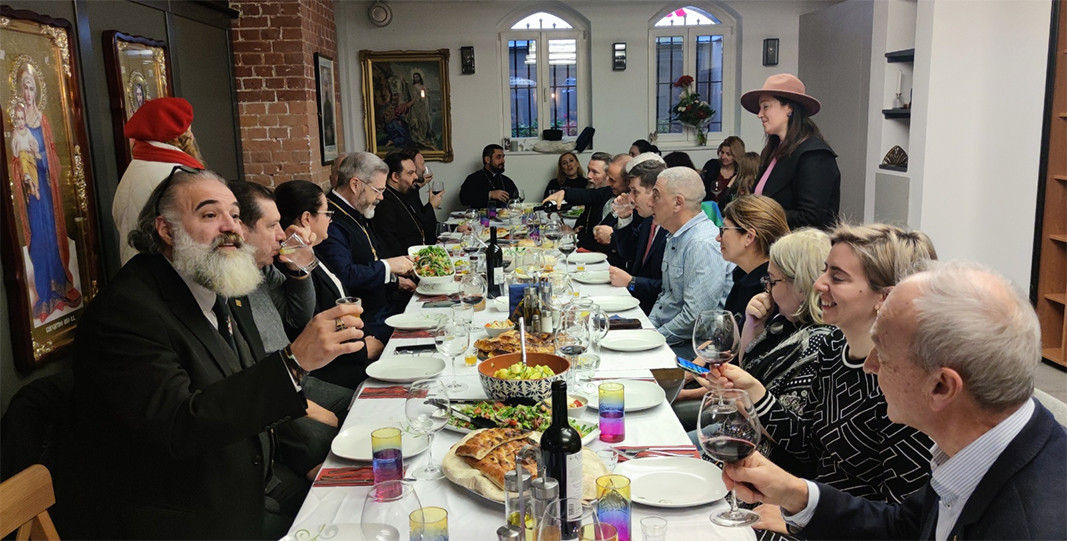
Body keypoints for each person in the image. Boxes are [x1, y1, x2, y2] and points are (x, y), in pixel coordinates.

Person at [57, 168, 365, 539]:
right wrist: (294, 363)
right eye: (209, 214)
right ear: (166, 230)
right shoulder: (128, 311)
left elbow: (244, 392)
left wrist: (319, 462)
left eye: (234, 215)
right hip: (190, 515)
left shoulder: (221, 286)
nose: (230, 227)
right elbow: (180, 427)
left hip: (257, 483)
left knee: (369, 500)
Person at [722, 262, 1067, 541]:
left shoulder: (1029, 524)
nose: (869, 367)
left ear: (942, 387)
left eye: (883, 355)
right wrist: (794, 493)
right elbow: (904, 527)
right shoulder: (977, 444)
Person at [709, 223, 937, 533]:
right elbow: (810, 448)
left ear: (885, 297)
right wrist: (757, 395)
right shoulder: (834, 348)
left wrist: (803, 515)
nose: (818, 284)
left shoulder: (903, 384)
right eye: (824, 271)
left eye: (837, 277)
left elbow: (902, 523)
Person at [228, 180, 355, 483]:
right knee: (327, 439)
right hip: (269, 389)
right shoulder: (225, 280)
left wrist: (299, 266)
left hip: (298, 376)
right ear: (243, 230)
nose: (282, 234)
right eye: (272, 225)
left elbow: (298, 315)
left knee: (359, 404)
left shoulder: (261, 268)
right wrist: (302, 404)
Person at [277, 180, 379, 390]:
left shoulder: (317, 251)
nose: (330, 221)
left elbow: (345, 299)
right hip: (332, 371)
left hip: (354, 346)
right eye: (327, 214)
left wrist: (368, 335)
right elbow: (309, 324)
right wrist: (362, 349)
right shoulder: (289, 265)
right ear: (307, 218)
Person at [8, 62, 81, 321]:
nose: (28, 93)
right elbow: (14, 160)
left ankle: (59, 285)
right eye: (24, 88)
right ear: (19, 91)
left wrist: (44, 160)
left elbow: (52, 153)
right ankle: (44, 294)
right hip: (30, 196)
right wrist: (23, 172)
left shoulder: (43, 120)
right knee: (37, 238)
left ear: (37, 91)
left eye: (31, 88)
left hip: (47, 193)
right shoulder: (17, 123)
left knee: (51, 233)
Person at [316, 152, 415, 344]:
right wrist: (388, 267)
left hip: (382, 304)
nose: (381, 197)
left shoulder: (357, 210)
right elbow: (344, 276)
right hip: (365, 320)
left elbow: (369, 256)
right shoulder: (332, 222)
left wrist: (395, 278)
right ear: (355, 184)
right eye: (377, 190)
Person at [647, 166, 730, 359]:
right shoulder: (676, 235)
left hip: (692, 348)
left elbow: (695, 319)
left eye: (656, 196)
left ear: (678, 203)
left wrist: (654, 338)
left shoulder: (701, 244)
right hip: (671, 337)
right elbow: (665, 298)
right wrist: (647, 328)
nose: (650, 202)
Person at [112, 96, 206, 263]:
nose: (191, 134)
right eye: (187, 128)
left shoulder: (135, 169)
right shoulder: (176, 174)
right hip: (170, 272)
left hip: (141, 271)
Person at [740, 74, 840, 230]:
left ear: (789, 108)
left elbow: (812, 217)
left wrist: (760, 213)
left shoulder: (815, 155)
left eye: (766, 106)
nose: (759, 114)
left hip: (800, 250)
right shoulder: (773, 150)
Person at [608, 156, 668, 314]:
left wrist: (631, 282)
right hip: (635, 301)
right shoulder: (649, 220)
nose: (631, 198)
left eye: (635, 191)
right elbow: (628, 252)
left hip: (653, 310)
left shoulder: (672, 229)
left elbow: (669, 288)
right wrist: (624, 218)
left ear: (655, 192)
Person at [718, 195, 790, 322]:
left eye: (724, 229)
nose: (718, 238)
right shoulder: (743, 277)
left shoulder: (770, 292)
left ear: (749, 237)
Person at [543, 154, 632, 256]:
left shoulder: (633, 206)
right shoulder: (608, 192)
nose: (608, 182)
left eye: (612, 180)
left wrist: (611, 235)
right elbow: (589, 195)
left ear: (628, 182)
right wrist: (564, 193)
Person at [373, 150, 428, 258]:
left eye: (415, 172)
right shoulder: (384, 202)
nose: (416, 177)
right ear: (395, 177)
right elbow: (390, 242)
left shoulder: (405, 192)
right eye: (410, 173)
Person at [700, 135, 745, 206]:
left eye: (728, 154)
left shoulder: (740, 171)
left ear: (736, 155)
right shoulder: (712, 165)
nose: (723, 157)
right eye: (722, 152)